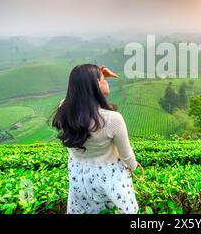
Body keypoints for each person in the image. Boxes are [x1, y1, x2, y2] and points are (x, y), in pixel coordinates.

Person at [52, 64, 139, 214]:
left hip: (80, 177)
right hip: (108, 180)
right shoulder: (112, 119)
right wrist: (134, 166)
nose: (106, 81)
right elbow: (126, 155)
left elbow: (72, 96)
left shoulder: (64, 111)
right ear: (96, 84)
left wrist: (86, 80)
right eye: (103, 79)